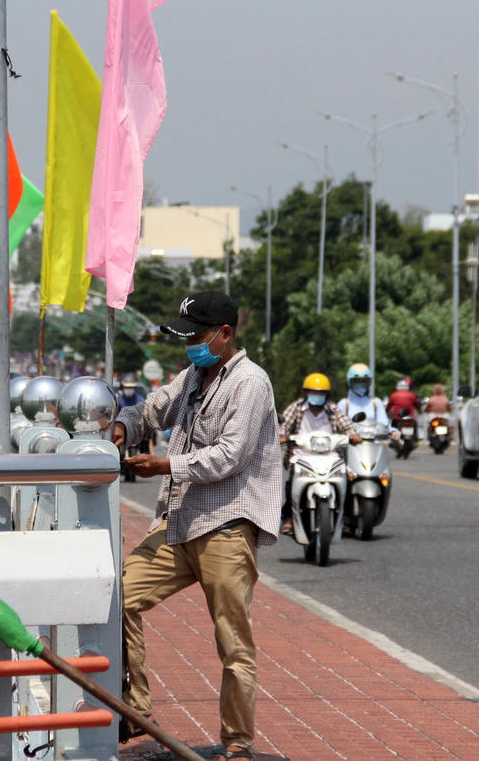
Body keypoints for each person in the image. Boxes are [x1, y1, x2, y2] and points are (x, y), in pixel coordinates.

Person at [111, 290, 281, 761]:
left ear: (224, 334)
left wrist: (165, 465)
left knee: (233, 642)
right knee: (117, 596)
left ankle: (237, 744)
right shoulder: (193, 376)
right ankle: (136, 709)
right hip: (180, 521)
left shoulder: (250, 383)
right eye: (185, 338)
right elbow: (152, 407)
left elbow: (230, 455)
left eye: (196, 337)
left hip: (226, 525)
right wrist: (123, 425)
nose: (189, 346)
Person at [279, 373, 362, 535]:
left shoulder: (333, 409)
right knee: (292, 482)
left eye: (321, 392)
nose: (317, 395)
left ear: (327, 394)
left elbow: (346, 425)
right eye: (313, 392)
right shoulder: (296, 408)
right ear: (306, 392)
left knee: (346, 478)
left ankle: (344, 518)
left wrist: (353, 435)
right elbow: (284, 426)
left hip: (330, 455)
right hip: (301, 455)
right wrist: (282, 436)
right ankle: (290, 516)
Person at [116, 376, 149, 479]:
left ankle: (145, 456)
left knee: (146, 439)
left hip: (138, 428)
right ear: (123, 388)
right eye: (127, 387)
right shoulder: (118, 400)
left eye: (131, 387)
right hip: (121, 429)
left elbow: (146, 412)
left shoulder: (140, 399)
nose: (129, 389)